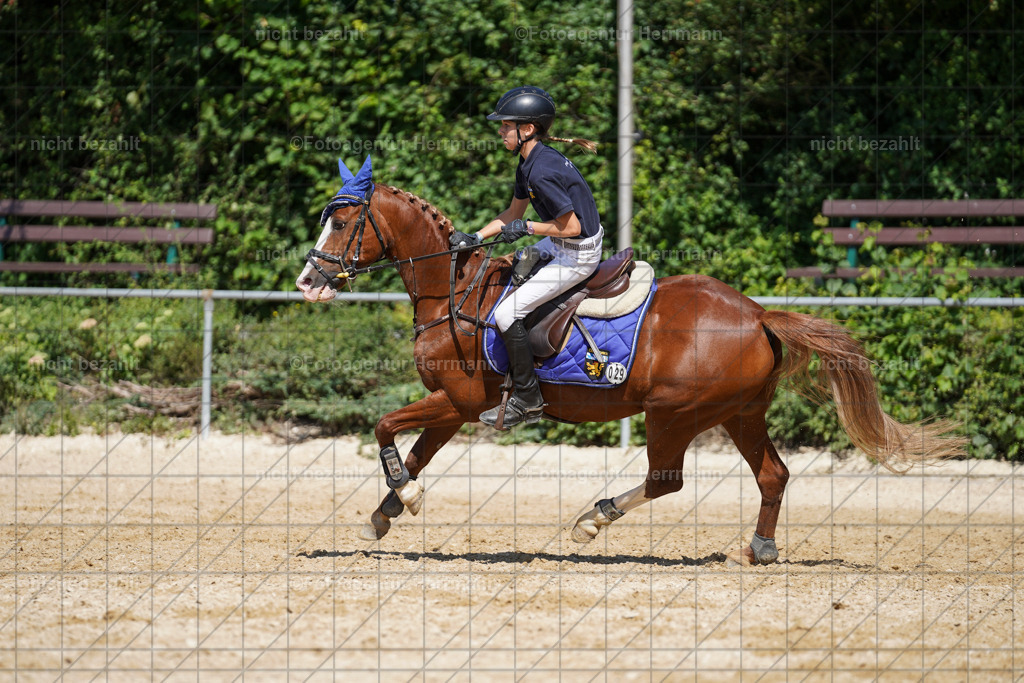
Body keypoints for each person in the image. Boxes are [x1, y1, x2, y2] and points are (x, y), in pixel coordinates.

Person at [450, 86, 603, 429]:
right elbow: (511, 213)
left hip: (577, 255)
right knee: (512, 264)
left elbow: (571, 227)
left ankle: (528, 400)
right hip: (561, 244)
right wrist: (474, 237)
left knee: (506, 314)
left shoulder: (542, 171)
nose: (500, 131)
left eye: (505, 126)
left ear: (527, 129)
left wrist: (529, 227)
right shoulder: (528, 163)